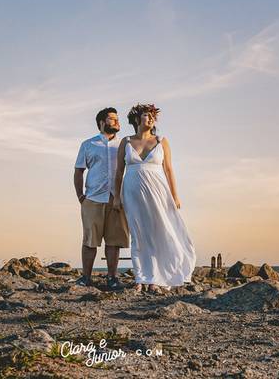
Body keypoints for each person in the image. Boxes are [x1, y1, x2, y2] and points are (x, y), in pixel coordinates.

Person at [112, 103, 196, 293]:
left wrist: (175, 196)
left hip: (158, 192)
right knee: (138, 233)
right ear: (136, 119)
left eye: (152, 116)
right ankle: (141, 278)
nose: (150, 119)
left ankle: (156, 278)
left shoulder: (161, 141)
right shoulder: (126, 142)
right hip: (132, 191)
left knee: (159, 231)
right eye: (146, 115)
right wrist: (116, 197)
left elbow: (168, 169)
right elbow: (118, 172)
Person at [73, 107, 130, 289]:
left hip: (116, 199)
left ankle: (112, 278)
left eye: (117, 119)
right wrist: (81, 196)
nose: (116, 122)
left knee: (114, 241)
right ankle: (85, 278)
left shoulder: (124, 145)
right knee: (90, 240)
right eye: (112, 119)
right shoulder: (88, 144)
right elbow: (79, 170)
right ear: (102, 122)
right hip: (93, 198)